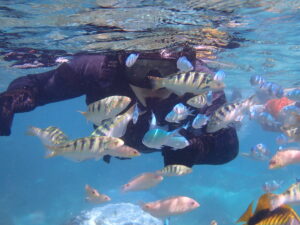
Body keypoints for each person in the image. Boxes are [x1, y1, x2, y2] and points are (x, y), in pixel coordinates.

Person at [0, 47, 239, 168]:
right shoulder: (100, 69)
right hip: (112, 144)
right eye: (140, 69)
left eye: (169, 70)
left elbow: (227, 147)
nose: (154, 82)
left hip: (149, 141)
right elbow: (36, 85)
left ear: (186, 67)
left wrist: (195, 148)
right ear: (123, 64)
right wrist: (13, 98)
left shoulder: (201, 82)